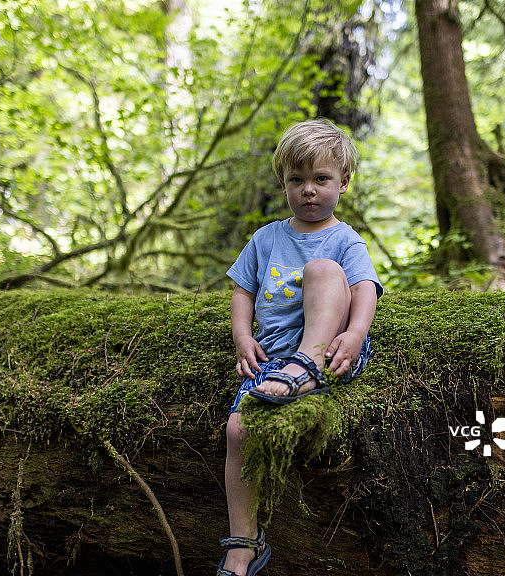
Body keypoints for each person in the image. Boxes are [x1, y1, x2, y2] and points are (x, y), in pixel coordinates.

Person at [216, 118, 383, 576]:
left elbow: (364, 288)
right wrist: (243, 338)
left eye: (321, 179)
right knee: (237, 430)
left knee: (323, 271)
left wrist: (356, 333)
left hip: (329, 347)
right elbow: (242, 291)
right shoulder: (266, 237)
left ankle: (307, 368)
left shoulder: (344, 239)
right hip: (274, 356)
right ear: (284, 182)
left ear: (343, 182)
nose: (309, 190)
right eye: (297, 180)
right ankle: (243, 542)